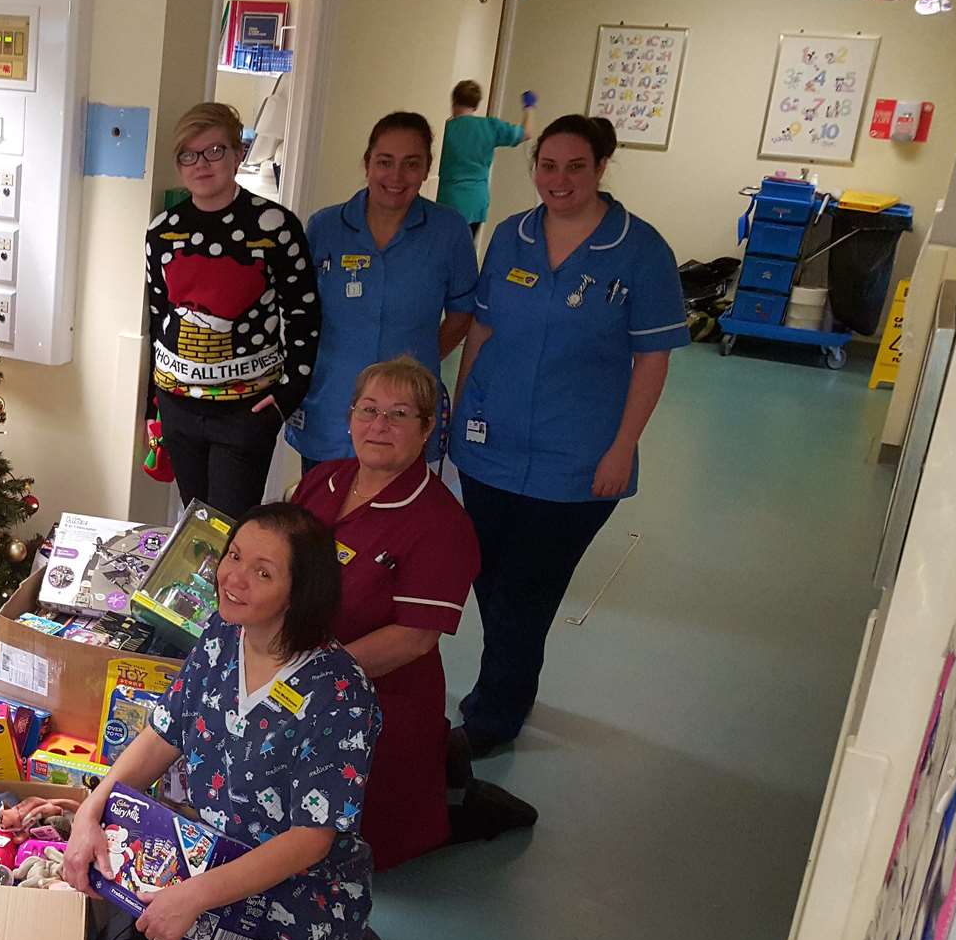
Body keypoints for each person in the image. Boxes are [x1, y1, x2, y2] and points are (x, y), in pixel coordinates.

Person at [64, 503, 384, 940]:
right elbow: (163, 733)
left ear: (299, 591)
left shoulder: (339, 693)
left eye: (263, 572)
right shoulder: (220, 635)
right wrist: (89, 812)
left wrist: (192, 897)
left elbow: (311, 838)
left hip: (300, 894)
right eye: (234, 556)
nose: (234, 578)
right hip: (209, 858)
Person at [451, 115, 689, 756]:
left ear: (602, 167)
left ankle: (492, 717)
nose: (559, 180)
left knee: (529, 590)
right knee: (490, 581)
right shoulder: (511, 236)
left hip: (578, 458)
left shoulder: (641, 251)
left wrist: (622, 446)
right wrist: (457, 414)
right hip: (489, 443)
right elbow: (482, 330)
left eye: (575, 166)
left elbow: (654, 360)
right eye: (547, 166)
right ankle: (507, 690)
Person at [290, 356, 535, 870]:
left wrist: (306, 676)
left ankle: (455, 802)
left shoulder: (441, 524)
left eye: (400, 414)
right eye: (368, 409)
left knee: (352, 848)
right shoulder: (323, 481)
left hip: (377, 697)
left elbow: (414, 639)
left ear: (428, 430)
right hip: (293, 665)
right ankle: (444, 767)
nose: (379, 425)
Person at [145, 102, 319, 518]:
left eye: (215, 150)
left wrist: (286, 396)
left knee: (228, 527)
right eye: (189, 154)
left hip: (245, 412)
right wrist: (155, 404)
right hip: (179, 407)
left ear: (238, 154)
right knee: (194, 520)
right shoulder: (162, 231)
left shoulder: (275, 226)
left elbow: (303, 315)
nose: (201, 164)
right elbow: (157, 317)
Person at [284, 112, 477, 470]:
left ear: (426, 169)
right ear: (367, 163)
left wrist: (417, 361)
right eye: (385, 162)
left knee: (395, 520)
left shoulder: (448, 231)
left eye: (411, 164)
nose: (396, 176)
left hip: (406, 410)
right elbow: (300, 312)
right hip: (331, 404)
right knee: (322, 518)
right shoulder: (325, 227)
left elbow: (463, 314)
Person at [436, 80, 536, 237]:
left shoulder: (445, 129)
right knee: (465, 251)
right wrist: (529, 107)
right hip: (476, 202)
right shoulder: (489, 127)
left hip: (447, 199)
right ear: (476, 106)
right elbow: (526, 133)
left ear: (453, 101)